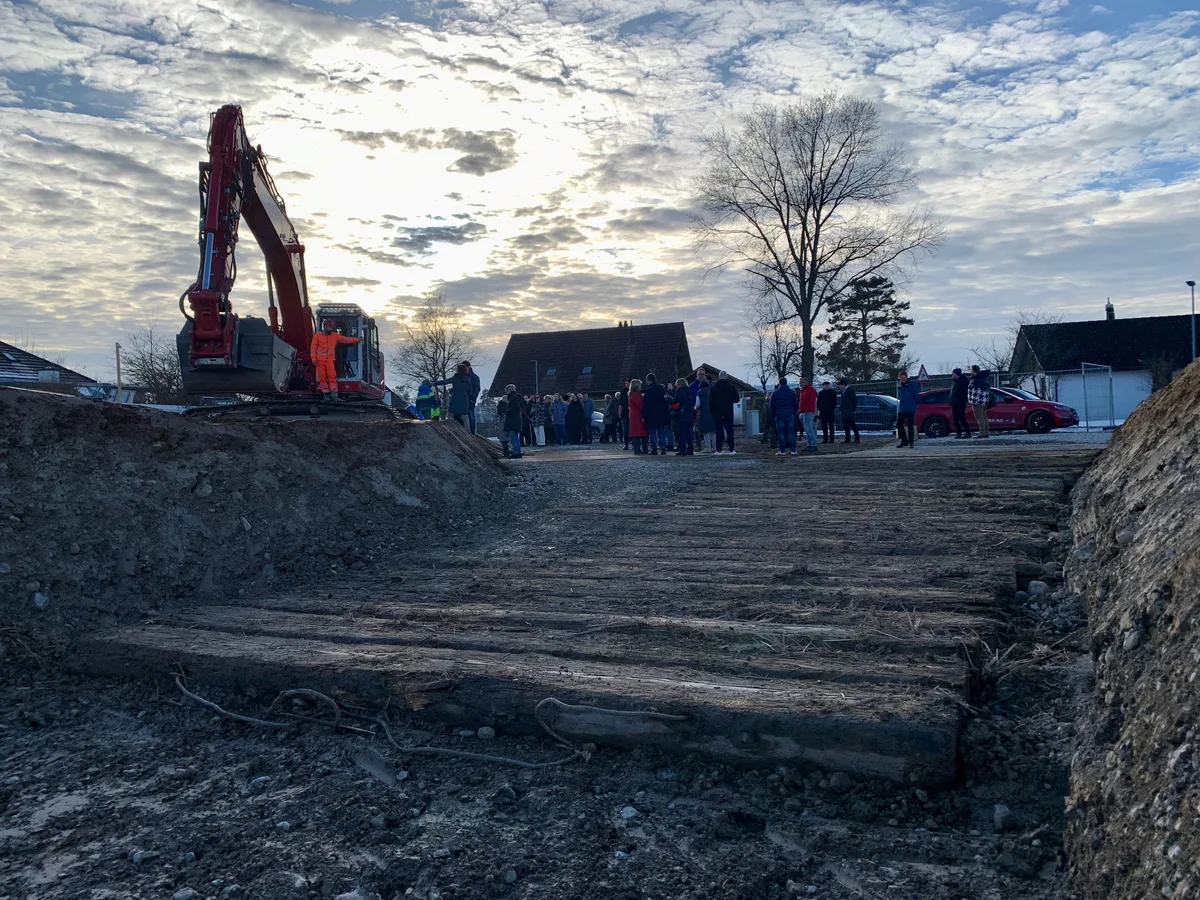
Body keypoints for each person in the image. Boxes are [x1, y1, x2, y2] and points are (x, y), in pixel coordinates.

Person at [310, 319, 360, 401]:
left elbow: (345, 339)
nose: (331, 329)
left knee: (332, 376)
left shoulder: (334, 335)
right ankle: (326, 395)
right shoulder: (317, 336)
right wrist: (313, 359)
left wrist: (357, 340)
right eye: (329, 327)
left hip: (329, 360)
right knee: (322, 378)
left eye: (331, 327)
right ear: (325, 326)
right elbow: (313, 348)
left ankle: (334, 395)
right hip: (320, 361)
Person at [709, 370, 739, 455]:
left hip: (717, 412)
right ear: (726, 377)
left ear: (719, 377)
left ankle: (718, 450)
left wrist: (712, 411)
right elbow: (736, 399)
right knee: (729, 430)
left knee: (719, 430)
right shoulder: (731, 387)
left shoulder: (713, 388)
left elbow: (710, 401)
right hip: (728, 411)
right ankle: (731, 449)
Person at [642, 373, 670, 455]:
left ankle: (654, 449)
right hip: (662, 414)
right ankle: (663, 448)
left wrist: (644, 415)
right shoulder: (661, 388)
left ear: (648, 380)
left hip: (652, 415)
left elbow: (646, 404)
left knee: (653, 432)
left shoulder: (648, 390)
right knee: (661, 432)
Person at [770, 376, 799, 456]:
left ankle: (782, 451)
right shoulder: (792, 392)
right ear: (786, 383)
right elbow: (795, 404)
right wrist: (793, 411)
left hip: (779, 414)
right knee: (791, 433)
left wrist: (774, 413)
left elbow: (772, 405)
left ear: (779, 383)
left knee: (781, 433)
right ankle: (793, 450)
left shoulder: (775, 393)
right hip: (790, 414)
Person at [896, 369, 919, 448]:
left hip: (910, 408)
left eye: (904, 378)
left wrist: (914, 404)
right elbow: (899, 396)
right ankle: (904, 440)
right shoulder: (899, 386)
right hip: (902, 408)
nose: (903, 379)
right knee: (899, 425)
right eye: (901, 378)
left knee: (910, 426)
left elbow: (917, 396)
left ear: (906, 377)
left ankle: (911, 441)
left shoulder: (911, 385)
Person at [499, 383, 524, 458]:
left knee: (513, 437)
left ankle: (516, 452)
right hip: (517, 420)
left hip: (513, 420)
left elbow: (513, 408)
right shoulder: (517, 397)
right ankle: (518, 451)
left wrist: (507, 412)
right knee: (515, 436)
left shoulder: (513, 398)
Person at [673, 378, 695, 456]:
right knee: (689, 433)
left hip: (682, 415)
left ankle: (682, 450)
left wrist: (668, 399)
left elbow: (675, 401)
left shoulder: (680, 391)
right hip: (689, 414)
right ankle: (690, 449)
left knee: (681, 434)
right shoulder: (689, 391)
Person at [968, 365, 991, 439]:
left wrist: (971, 400)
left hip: (977, 402)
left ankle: (982, 433)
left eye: (971, 370)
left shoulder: (975, 380)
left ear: (974, 371)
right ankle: (986, 432)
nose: (970, 371)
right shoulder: (984, 380)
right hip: (984, 402)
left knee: (979, 417)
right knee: (984, 417)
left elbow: (974, 392)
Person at [460, 361, 481, 435]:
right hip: (462, 400)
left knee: (470, 416)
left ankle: (472, 432)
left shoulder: (474, 377)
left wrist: (472, 398)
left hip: (469, 400)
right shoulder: (462, 376)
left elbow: (477, 389)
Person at [798, 377, 819, 453]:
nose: (800, 383)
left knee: (809, 429)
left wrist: (807, 410)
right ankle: (810, 444)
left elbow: (811, 401)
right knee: (808, 429)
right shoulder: (804, 390)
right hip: (804, 411)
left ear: (807, 382)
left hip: (807, 412)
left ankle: (813, 445)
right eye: (800, 382)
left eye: (802, 382)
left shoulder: (810, 390)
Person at [627, 379, 648, 454]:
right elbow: (640, 404)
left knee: (636, 433)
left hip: (634, 415)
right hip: (637, 416)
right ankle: (638, 449)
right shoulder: (636, 395)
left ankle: (637, 449)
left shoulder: (631, 394)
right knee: (638, 433)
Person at [949, 367, 970, 439]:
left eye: (953, 374)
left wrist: (962, 399)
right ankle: (958, 433)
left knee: (961, 417)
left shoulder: (963, 382)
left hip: (960, 402)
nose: (952, 375)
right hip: (954, 402)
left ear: (957, 374)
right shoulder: (954, 382)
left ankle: (968, 432)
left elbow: (965, 392)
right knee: (955, 419)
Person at [696, 376, 715, 453]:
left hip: (703, 414)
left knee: (706, 432)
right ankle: (715, 447)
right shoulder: (712, 393)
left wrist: (695, 408)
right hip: (712, 414)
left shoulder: (699, 394)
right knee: (713, 432)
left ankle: (708, 448)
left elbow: (697, 405)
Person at [838, 378, 860, 443]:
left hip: (849, 411)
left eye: (840, 385)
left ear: (843, 385)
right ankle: (847, 439)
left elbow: (854, 400)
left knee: (853, 425)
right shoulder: (843, 391)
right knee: (846, 426)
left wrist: (852, 409)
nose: (839, 386)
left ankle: (857, 438)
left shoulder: (850, 390)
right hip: (844, 412)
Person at [618, 382, 631, 449]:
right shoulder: (623, 392)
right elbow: (622, 402)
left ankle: (634, 443)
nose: (626, 384)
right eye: (625, 383)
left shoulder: (632, 391)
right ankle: (626, 444)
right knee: (625, 429)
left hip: (632, 412)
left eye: (627, 383)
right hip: (625, 413)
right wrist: (627, 407)